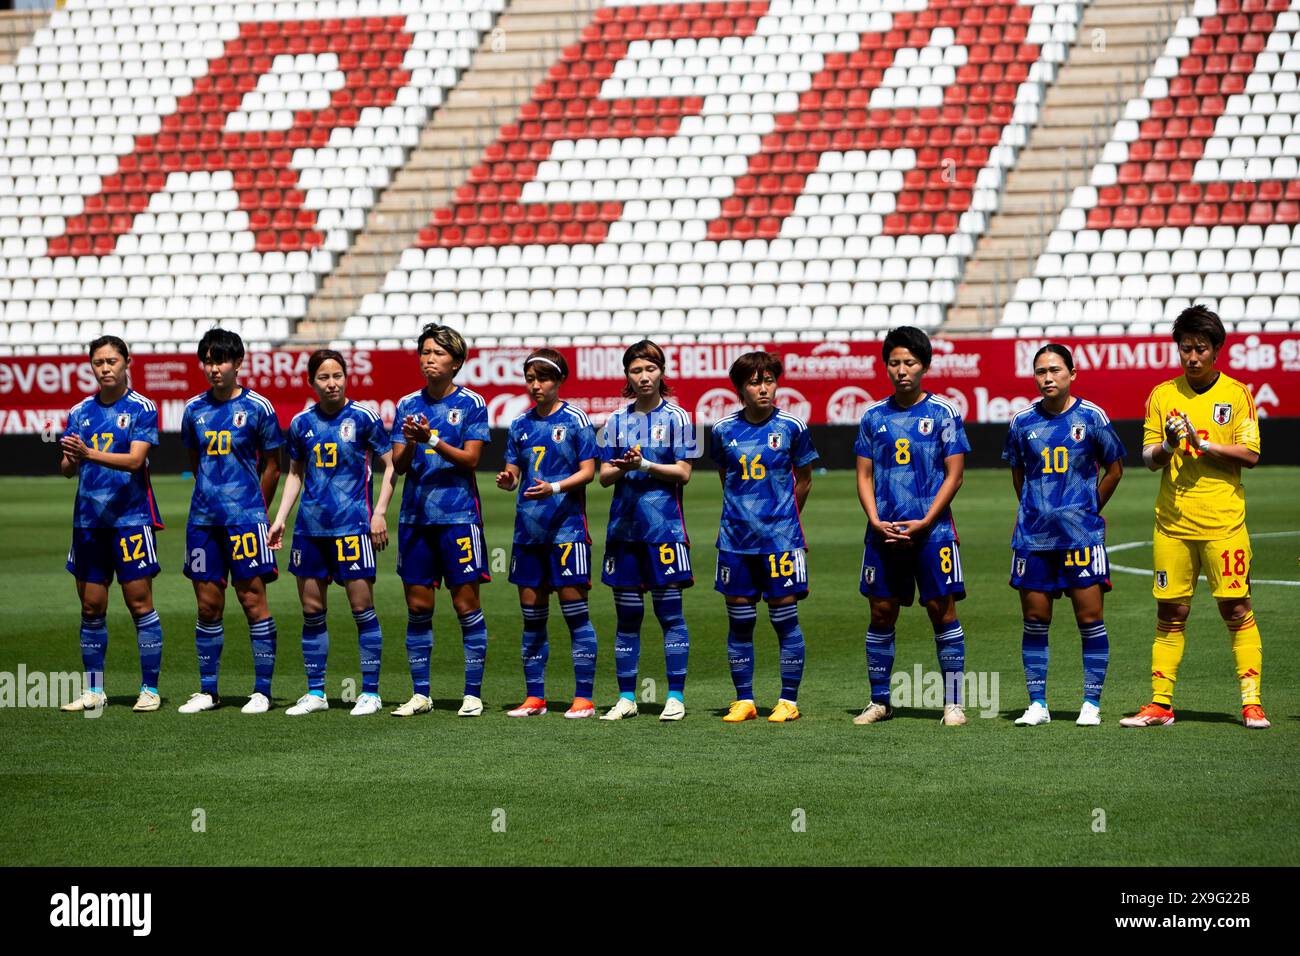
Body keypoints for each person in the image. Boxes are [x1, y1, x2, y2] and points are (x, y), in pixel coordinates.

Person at [1121, 305, 1269, 729]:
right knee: (1169, 614)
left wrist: (1205, 446)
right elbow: (1149, 458)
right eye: (1185, 348)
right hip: (1173, 524)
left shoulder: (1237, 394)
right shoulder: (1162, 395)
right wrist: (1169, 445)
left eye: (1200, 348)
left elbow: (1252, 454)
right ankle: (1160, 704)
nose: (1192, 357)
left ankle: (1251, 703)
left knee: (1237, 609)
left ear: (1217, 350)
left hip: (1224, 523)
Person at [853, 326, 970, 727]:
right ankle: (879, 701)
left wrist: (925, 521)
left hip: (933, 532)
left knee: (942, 610)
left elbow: (954, 475)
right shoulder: (872, 416)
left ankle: (953, 703)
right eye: (895, 362)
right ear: (886, 366)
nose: (902, 370)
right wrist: (874, 519)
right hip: (883, 532)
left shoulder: (944, 412)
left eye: (910, 362)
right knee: (881, 613)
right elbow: (864, 475)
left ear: (925, 366)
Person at [1003, 344, 1125, 727]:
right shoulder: (1022, 422)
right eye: (1040, 371)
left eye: (1055, 370)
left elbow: (1115, 469)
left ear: (1073, 373)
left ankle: (1091, 703)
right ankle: (1038, 703)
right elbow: (1018, 474)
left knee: (1090, 619)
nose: (1047, 377)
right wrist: (1035, 512)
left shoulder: (1092, 417)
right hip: (1034, 539)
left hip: (1082, 539)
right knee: (1035, 620)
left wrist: (1088, 509)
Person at [268, 349, 395, 716]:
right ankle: (316, 692)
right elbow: (294, 473)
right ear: (312, 382)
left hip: (354, 527)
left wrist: (380, 513)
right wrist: (281, 519)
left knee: (362, 608)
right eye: (324, 377)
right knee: (312, 611)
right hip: (310, 530)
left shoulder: (364, 418)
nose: (332, 383)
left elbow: (390, 466)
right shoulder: (301, 422)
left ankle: (370, 692)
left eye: (337, 375)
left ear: (346, 377)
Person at [177, 328, 284, 714]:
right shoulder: (193, 410)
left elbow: (273, 465)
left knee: (252, 600)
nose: (214, 368)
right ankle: (208, 690)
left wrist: (257, 508)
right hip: (203, 521)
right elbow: (196, 462)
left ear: (238, 363)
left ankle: (262, 691)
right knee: (207, 606)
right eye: (207, 360)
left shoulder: (259, 408)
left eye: (220, 360)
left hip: (246, 520)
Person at [388, 325, 492, 717]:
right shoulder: (406, 405)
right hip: (415, 518)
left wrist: (431, 439)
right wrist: (413, 440)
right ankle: (421, 693)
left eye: (438, 353)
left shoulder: (472, 404)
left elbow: (471, 460)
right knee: (417, 606)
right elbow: (397, 464)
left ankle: (472, 693)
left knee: (466, 605)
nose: (429, 359)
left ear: (456, 362)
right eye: (425, 352)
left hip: (459, 517)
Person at [58, 335, 165, 713]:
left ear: (126, 363)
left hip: (131, 522)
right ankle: (94, 690)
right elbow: (68, 470)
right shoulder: (80, 411)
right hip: (88, 523)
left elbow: (136, 461)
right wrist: (72, 458)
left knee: (140, 604)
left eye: (112, 362)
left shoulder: (143, 408)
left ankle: (149, 688)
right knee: (91, 607)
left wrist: (88, 453)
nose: (105, 369)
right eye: (98, 363)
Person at [711, 351, 817, 723]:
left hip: (781, 541)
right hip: (735, 541)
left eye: (769, 380)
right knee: (740, 622)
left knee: (785, 620)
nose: (764, 388)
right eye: (755, 382)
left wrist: (785, 517)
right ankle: (744, 700)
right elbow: (726, 479)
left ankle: (788, 700)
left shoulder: (792, 427)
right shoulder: (723, 430)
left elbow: (804, 479)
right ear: (740, 388)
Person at [496, 348, 600, 718]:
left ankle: (584, 698)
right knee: (532, 616)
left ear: (558, 381)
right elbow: (513, 475)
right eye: (530, 378)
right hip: (528, 534)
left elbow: (589, 471)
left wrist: (555, 488)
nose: (535, 385)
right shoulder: (520, 424)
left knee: (575, 614)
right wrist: (508, 480)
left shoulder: (576, 420)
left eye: (543, 378)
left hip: (567, 533)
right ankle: (535, 698)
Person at [597, 340, 697, 721]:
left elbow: (685, 473)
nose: (644, 377)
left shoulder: (681, 418)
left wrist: (646, 465)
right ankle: (626, 697)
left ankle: (675, 696)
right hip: (624, 532)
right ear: (627, 376)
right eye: (636, 371)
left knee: (670, 615)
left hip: (665, 532)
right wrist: (625, 466)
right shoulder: (615, 421)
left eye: (650, 369)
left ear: (661, 372)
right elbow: (604, 477)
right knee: (627, 618)